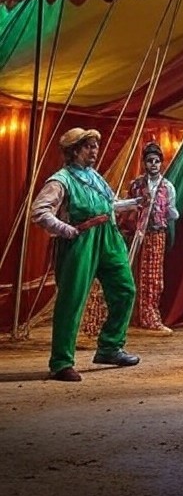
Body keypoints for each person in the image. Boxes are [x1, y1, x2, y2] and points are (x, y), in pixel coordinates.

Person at [29, 128, 142, 381]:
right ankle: (61, 362)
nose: (94, 151)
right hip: (81, 241)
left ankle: (110, 347)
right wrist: (66, 230)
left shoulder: (95, 177)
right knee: (72, 299)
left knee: (125, 290)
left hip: (108, 237)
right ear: (74, 151)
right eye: (89, 147)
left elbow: (108, 205)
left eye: (95, 146)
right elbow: (40, 211)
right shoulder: (61, 180)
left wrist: (134, 203)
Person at [120, 141, 179, 335]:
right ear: (144, 163)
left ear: (161, 163)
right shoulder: (136, 185)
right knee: (133, 272)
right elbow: (127, 208)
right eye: (149, 161)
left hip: (156, 234)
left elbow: (172, 212)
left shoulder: (167, 187)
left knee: (153, 277)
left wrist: (161, 213)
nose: (153, 164)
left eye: (156, 161)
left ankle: (151, 316)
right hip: (137, 234)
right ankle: (132, 316)